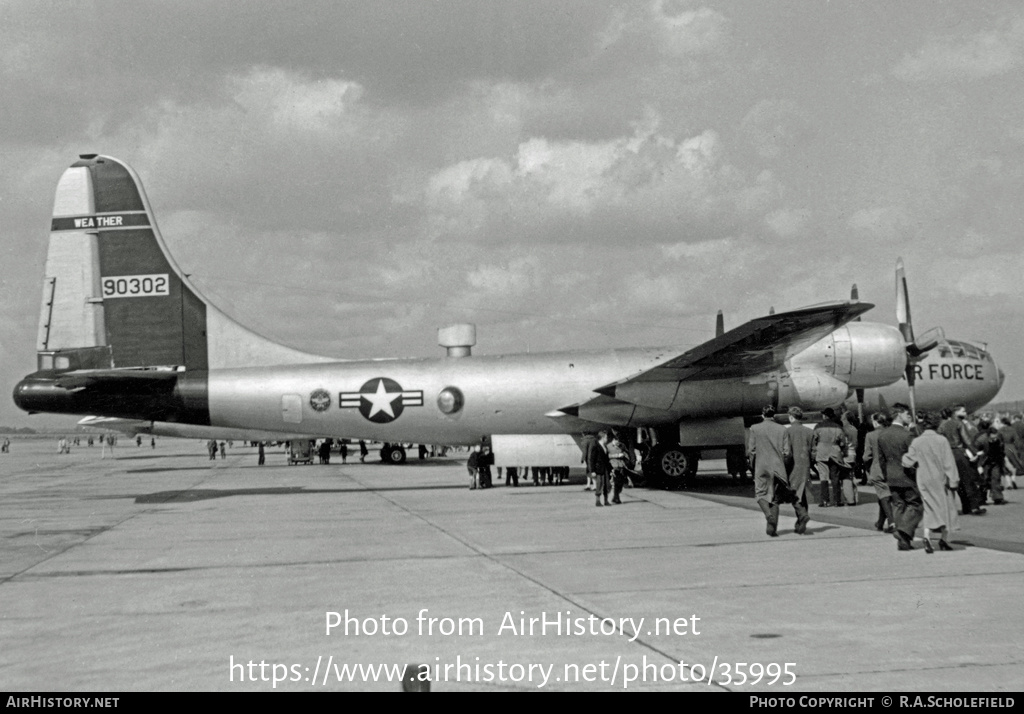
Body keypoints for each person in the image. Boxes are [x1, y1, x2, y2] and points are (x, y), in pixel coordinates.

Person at [902, 411, 958, 553]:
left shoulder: (917, 441)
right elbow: (949, 463)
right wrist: (953, 481)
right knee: (946, 508)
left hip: (924, 479)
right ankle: (944, 539)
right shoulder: (942, 441)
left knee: (928, 508)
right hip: (940, 479)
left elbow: (907, 461)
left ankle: (926, 537)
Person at [747, 405, 799, 536]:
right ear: (774, 415)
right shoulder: (782, 429)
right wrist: (784, 467)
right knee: (775, 498)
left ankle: (768, 515)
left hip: (761, 466)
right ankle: (771, 529)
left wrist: (753, 466)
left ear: (763, 415)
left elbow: (751, 451)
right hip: (778, 467)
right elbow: (787, 453)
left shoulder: (754, 428)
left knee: (760, 494)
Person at [876, 404, 922, 551]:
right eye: (906, 413)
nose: (909, 416)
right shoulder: (907, 435)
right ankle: (903, 531)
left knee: (898, 505)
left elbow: (881, 459)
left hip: (891, 475)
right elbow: (915, 456)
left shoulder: (882, 435)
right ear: (899, 414)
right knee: (915, 505)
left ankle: (903, 541)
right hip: (907, 476)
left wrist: (885, 475)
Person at [938, 405, 985, 515]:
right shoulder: (959, 423)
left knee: (957, 481)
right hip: (959, 453)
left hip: (947, 454)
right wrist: (975, 452)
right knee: (968, 480)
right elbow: (967, 440)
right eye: (963, 411)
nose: (965, 412)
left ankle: (965, 506)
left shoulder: (942, 425)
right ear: (955, 413)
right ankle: (974, 506)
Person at [863, 412, 894, 532]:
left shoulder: (870, 435)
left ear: (875, 422)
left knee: (884, 495)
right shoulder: (891, 433)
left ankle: (892, 522)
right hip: (892, 468)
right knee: (884, 495)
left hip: (877, 469)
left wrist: (867, 469)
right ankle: (880, 522)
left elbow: (866, 456)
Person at [812, 408, 849, 507]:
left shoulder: (818, 426)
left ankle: (825, 500)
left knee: (823, 477)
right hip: (834, 453)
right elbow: (843, 442)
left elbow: (814, 440)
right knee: (835, 477)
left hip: (822, 452)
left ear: (824, 416)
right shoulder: (838, 427)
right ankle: (837, 501)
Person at [787, 406, 814, 523]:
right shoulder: (809, 431)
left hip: (792, 467)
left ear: (791, 417)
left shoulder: (787, 432)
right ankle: (801, 520)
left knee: (794, 494)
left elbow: (786, 453)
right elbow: (814, 452)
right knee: (802, 494)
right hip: (805, 466)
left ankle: (802, 516)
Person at [975, 419, 1006, 505]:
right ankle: (981, 499)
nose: (994, 439)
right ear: (988, 435)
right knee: (984, 480)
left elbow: (1002, 448)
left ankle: (997, 498)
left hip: (996, 461)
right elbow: (974, 448)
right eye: (993, 438)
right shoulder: (981, 439)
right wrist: (979, 455)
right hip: (985, 462)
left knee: (996, 479)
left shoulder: (999, 437)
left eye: (996, 437)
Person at [586, 431, 612, 507]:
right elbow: (592, 460)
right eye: (606, 437)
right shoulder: (596, 446)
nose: (607, 439)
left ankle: (606, 500)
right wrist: (593, 471)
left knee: (607, 485)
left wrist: (610, 469)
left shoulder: (605, 447)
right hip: (598, 469)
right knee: (599, 485)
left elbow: (607, 460)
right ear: (603, 438)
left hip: (605, 469)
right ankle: (598, 501)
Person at [607, 434, 631, 505]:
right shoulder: (608, 446)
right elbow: (606, 456)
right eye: (617, 442)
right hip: (614, 466)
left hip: (621, 466)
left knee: (621, 483)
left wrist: (624, 455)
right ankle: (616, 498)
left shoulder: (622, 445)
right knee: (616, 482)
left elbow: (627, 453)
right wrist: (616, 456)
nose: (618, 444)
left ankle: (615, 496)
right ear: (613, 440)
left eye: (619, 443)